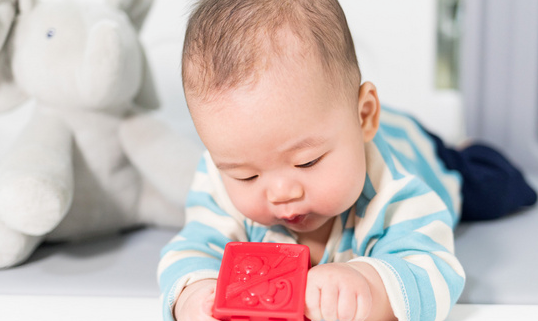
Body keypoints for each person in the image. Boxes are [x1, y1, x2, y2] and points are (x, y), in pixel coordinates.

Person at [158, 1, 537, 320]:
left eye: (307, 162)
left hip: (420, 151)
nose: (280, 192)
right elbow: (190, 248)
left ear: (364, 116)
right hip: (362, 124)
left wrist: (369, 286)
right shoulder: (217, 178)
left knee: (498, 188)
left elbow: (435, 268)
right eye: (246, 176)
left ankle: (470, 149)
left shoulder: (395, 189)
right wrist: (195, 294)